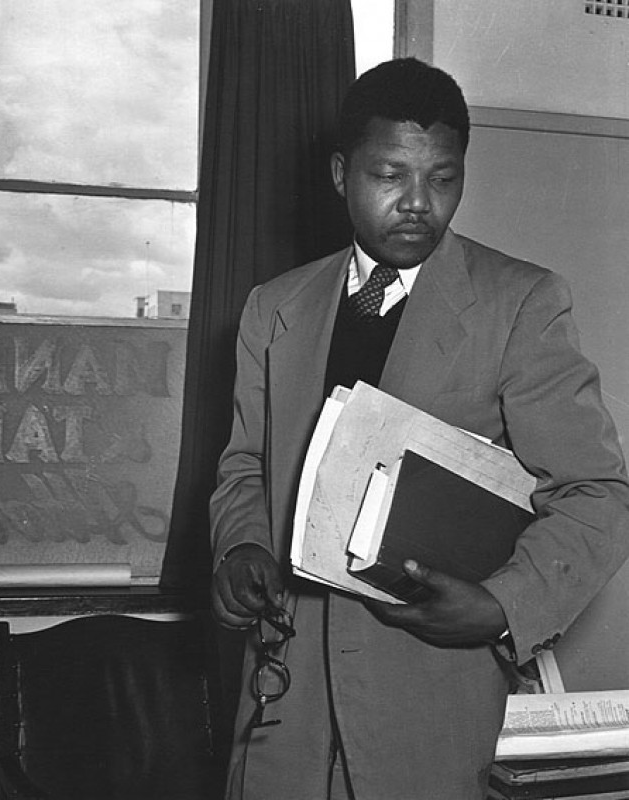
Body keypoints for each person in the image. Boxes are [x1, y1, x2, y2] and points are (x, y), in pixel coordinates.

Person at [209, 57, 629, 800]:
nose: (417, 203)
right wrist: (240, 543)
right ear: (341, 174)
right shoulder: (273, 308)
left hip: (431, 709)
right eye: (389, 175)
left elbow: (598, 490)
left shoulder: (520, 302)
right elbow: (246, 463)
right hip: (284, 706)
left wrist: (506, 604)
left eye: (442, 179)